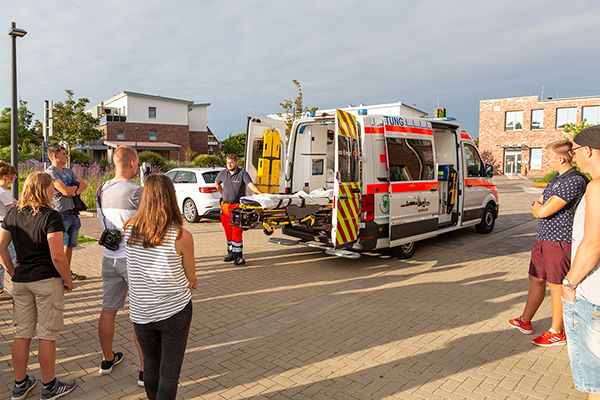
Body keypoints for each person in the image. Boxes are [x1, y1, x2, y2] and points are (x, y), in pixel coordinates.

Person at [0, 172, 77, 400]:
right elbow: (57, 255)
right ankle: (49, 386)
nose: (53, 190)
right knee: (47, 334)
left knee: (22, 333)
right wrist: (68, 279)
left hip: (22, 281)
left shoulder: (13, 213)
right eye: (51, 187)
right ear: (44, 189)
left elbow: (2, 248)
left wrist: (13, 272)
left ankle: (20, 384)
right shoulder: (51, 216)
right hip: (46, 281)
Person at [124, 174, 197, 400]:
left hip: (141, 311)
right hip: (175, 310)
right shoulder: (181, 235)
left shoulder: (129, 229)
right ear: (170, 198)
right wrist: (191, 282)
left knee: (151, 368)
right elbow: (191, 275)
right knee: (169, 373)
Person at [508, 140, 587, 346]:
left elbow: (542, 210)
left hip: (559, 241)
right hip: (543, 239)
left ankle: (557, 331)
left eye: (549, 157)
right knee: (535, 279)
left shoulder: (574, 181)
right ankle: (525, 321)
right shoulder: (555, 180)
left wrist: (538, 207)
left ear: (561, 158)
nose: (546, 161)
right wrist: (539, 207)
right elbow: (540, 205)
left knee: (557, 285)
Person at [96, 146, 144, 386]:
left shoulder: (100, 189)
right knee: (141, 313)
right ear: (133, 163)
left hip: (109, 256)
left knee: (109, 309)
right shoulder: (137, 191)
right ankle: (145, 370)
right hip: (133, 258)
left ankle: (107, 359)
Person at [563, 125, 600, 399]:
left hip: (593, 293)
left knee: (594, 383)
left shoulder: (597, 187)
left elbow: (593, 243)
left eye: (574, 151)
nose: (572, 157)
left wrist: (569, 282)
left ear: (588, 151)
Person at [46, 146, 88, 281]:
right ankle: (58, 274)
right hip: (60, 214)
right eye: (63, 154)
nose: (66, 156)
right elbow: (64, 191)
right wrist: (73, 189)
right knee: (59, 247)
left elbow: (84, 184)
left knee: (70, 245)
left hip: (73, 213)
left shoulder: (68, 171)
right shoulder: (51, 173)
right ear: (54, 156)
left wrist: (74, 191)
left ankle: (66, 273)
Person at [215, 154, 261, 265]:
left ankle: (238, 257)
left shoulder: (242, 173)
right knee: (228, 232)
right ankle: (230, 253)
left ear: (236, 163)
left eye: (231, 162)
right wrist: (222, 193)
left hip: (237, 208)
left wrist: (260, 194)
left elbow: (250, 184)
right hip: (225, 207)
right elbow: (217, 183)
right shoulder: (223, 173)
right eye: (227, 162)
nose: (229, 164)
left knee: (236, 232)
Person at [0, 161, 17, 300]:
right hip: (5, 227)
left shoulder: (4, 191)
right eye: (13, 176)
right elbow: (13, 209)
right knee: (11, 256)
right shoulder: (3, 192)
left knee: (1, 258)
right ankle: (19, 283)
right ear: (6, 177)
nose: (15, 178)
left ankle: (0, 288)